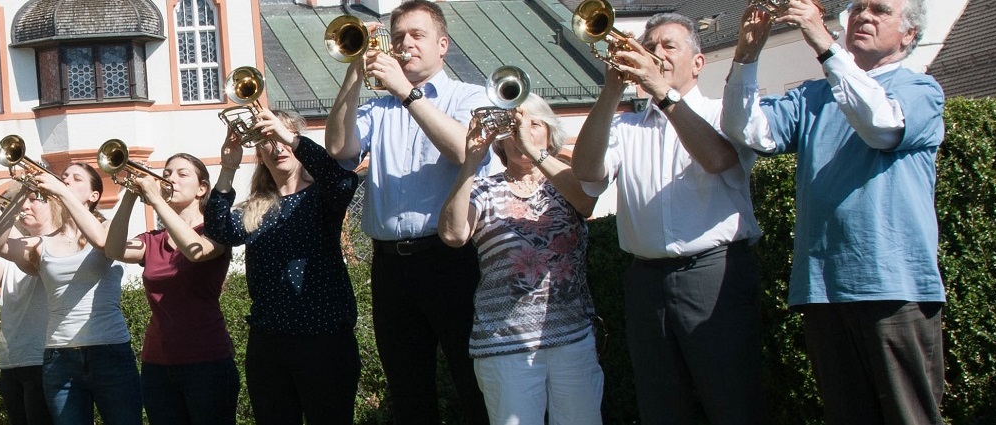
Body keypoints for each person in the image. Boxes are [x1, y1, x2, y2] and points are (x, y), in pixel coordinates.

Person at [722, 0, 947, 422]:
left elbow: (882, 126)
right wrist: (746, 55)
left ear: (909, 35)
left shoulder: (920, 89)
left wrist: (825, 46)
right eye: (859, 7)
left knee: (909, 416)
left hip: (893, 288)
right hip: (824, 287)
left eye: (880, 10)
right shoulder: (815, 93)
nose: (863, 16)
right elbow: (746, 129)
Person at [571, 12, 766, 424]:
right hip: (646, 282)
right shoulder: (626, 125)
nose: (656, 53)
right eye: (651, 45)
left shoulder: (721, 113)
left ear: (698, 63)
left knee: (732, 401)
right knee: (661, 408)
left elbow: (717, 159)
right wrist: (610, 91)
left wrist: (660, 91)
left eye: (668, 46)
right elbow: (587, 171)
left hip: (712, 276)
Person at [321, 0, 494, 420]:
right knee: (408, 388)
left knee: (471, 381)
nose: (405, 44)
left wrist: (405, 90)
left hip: (450, 259)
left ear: (443, 44)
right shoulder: (378, 109)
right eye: (398, 37)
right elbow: (337, 147)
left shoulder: (468, 95)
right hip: (390, 266)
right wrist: (353, 72)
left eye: (417, 35)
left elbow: (462, 150)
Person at [442, 97, 602, 424]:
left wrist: (537, 154)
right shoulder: (484, 190)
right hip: (506, 348)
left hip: (572, 340)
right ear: (501, 140)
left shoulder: (565, 183)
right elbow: (454, 234)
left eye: (533, 124)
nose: (522, 133)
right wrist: (471, 163)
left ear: (550, 134)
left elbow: (586, 202)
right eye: (513, 126)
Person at [206, 109, 362, 424]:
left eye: (281, 138)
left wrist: (289, 136)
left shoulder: (322, 193)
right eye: (266, 141)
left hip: (325, 337)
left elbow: (344, 180)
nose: (277, 148)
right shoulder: (255, 207)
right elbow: (218, 228)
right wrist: (228, 166)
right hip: (269, 341)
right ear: (259, 152)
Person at [0, 164, 141, 425]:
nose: (66, 180)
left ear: (94, 196)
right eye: (64, 177)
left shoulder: (108, 225)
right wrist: (22, 191)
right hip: (59, 355)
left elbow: (102, 242)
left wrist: (61, 192)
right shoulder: (43, 241)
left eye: (76, 179)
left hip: (108, 349)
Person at [104, 149, 236, 425]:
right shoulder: (153, 240)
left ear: (202, 189)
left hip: (206, 360)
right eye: (166, 174)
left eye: (181, 174)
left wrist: (155, 199)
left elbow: (196, 251)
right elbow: (113, 248)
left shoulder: (216, 230)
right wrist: (130, 193)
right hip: (157, 363)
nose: (169, 179)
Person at [0, 181, 53, 425]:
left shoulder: (54, 245)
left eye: (36, 199)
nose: (25, 206)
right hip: (12, 362)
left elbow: (34, 257)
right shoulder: (12, 256)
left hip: (42, 360)